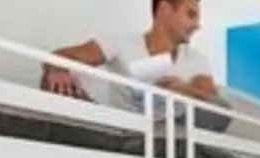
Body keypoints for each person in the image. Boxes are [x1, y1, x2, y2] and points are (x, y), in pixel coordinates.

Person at [40, 0, 226, 112]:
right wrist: (58, 70)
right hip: (119, 129)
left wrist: (181, 89)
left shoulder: (196, 60)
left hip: (166, 136)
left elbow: (215, 107)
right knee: (51, 81)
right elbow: (62, 56)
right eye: (191, 15)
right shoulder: (121, 43)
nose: (197, 25)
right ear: (165, 9)